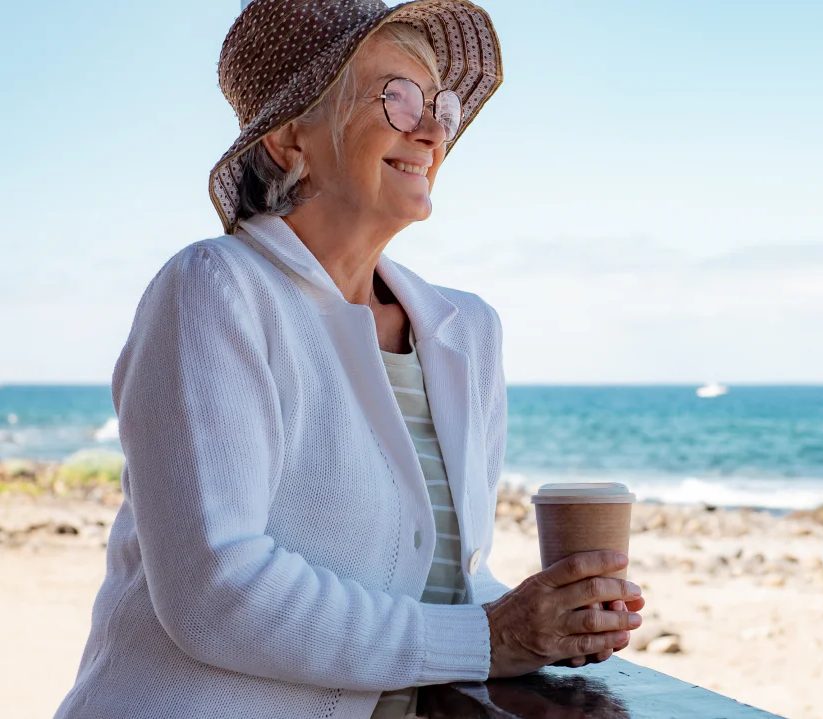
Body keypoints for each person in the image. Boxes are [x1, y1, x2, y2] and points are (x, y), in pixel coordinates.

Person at [54, 2, 645, 718]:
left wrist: (551, 618)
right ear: (287, 138)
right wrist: (491, 636)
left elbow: (432, 587)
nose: (431, 132)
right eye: (397, 98)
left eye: (441, 107)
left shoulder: (468, 332)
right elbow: (216, 589)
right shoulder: (216, 289)